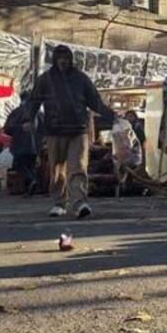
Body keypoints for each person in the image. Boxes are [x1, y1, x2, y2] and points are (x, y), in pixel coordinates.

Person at [26, 45, 114, 219]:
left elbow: (94, 101)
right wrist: (28, 119)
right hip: (55, 131)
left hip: (78, 131)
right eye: (60, 58)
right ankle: (60, 202)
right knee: (57, 170)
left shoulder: (81, 79)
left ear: (71, 59)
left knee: (78, 167)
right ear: (55, 60)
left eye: (66, 58)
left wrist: (112, 117)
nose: (63, 61)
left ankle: (80, 202)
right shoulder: (46, 80)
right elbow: (34, 101)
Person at [4, 92, 43, 197]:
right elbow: (45, 129)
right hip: (35, 146)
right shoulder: (39, 113)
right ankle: (28, 190)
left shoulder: (16, 112)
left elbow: (7, 129)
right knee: (30, 167)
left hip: (19, 145)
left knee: (20, 166)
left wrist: (18, 129)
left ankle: (30, 182)